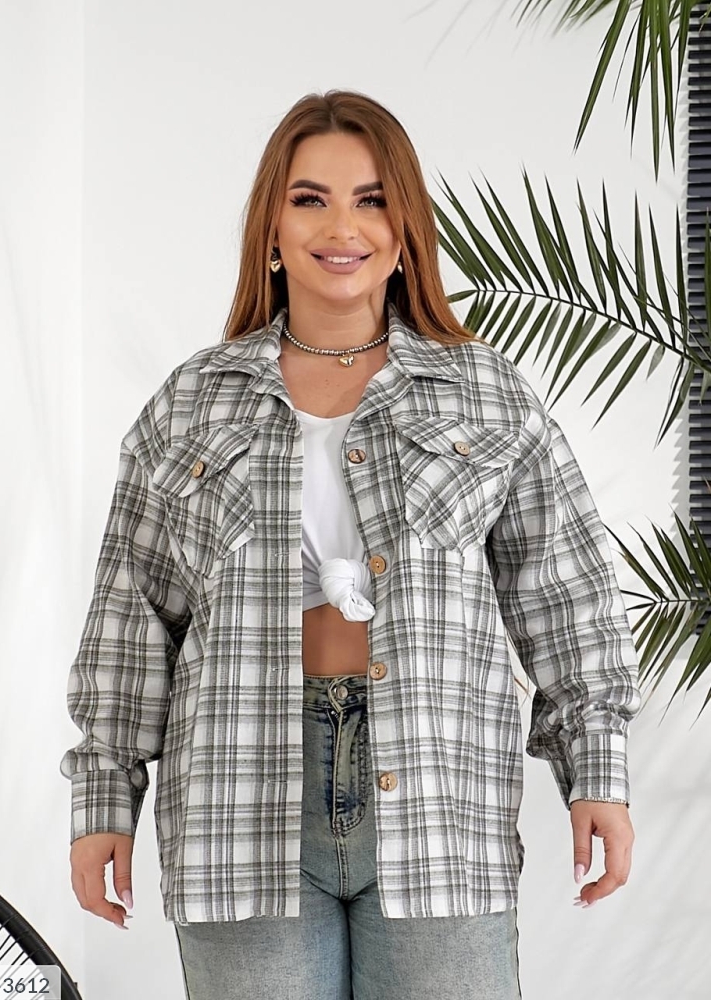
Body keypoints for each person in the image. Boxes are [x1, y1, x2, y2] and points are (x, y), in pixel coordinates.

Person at [60, 90, 641, 1000]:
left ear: (405, 232)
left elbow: (564, 595)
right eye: (310, 199)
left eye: (372, 200)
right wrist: (104, 795)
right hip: (237, 801)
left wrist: (595, 772)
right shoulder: (191, 401)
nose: (343, 227)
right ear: (272, 229)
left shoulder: (486, 394)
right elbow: (131, 613)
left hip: (441, 800)